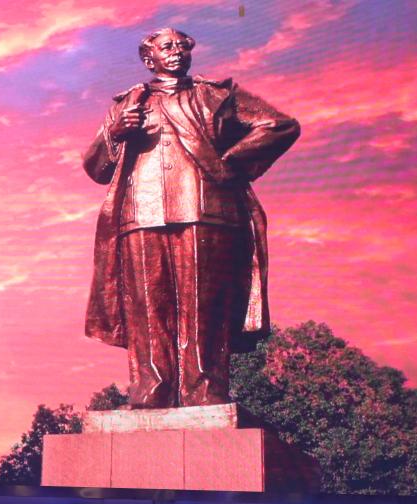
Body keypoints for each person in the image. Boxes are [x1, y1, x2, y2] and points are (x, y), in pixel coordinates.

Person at [83, 27, 300, 408]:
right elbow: (96, 167)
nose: (177, 52)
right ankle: (151, 387)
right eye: (167, 47)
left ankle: (204, 388)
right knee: (146, 306)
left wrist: (229, 163)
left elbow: (280, 126)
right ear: (148, 58)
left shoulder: (216, 95)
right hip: (141, 213)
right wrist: (114, 134)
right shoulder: (127, 103)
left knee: (203, 304)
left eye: (182, 46)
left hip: (206, 211)